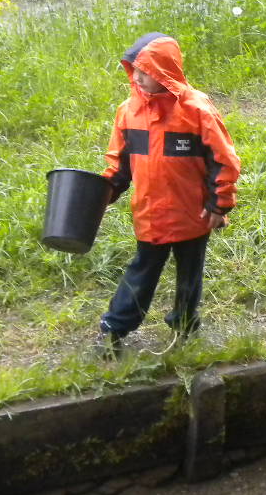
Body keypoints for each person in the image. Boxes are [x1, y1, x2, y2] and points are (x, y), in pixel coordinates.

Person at [95, 32, 240, 358]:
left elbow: (223, 160)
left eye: (146, 70)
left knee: (190, 273)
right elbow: (119, 167)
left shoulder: (196, 110)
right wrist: (100, 196)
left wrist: (220, 204)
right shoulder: (128, 112)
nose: (139, 77)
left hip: (193, 213)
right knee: (142, 271)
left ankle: (185, 325)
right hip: (151, 214)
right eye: (135, 70)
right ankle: (114, 327)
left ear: (165, 71)